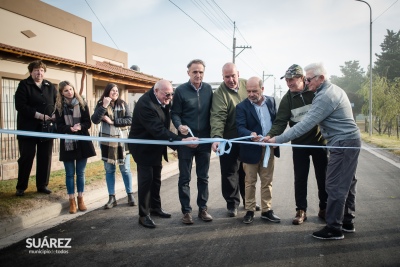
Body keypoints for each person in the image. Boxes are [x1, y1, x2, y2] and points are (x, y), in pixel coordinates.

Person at [268, 62, 361, 240]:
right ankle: (347, 222)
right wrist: (272, 135)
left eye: (309, 79)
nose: (307, 82)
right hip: (345, 141)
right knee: (347, 182)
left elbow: (306, 124)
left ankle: (334, 228)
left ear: (321, 78)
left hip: (341, 143)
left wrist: (277, 140)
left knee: (334, 185)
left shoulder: (324, 96)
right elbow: (282, 121)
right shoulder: (330, 90)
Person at [128, 79, 198, 228]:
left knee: (156, 179)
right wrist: (181, 141)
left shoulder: (163, 100)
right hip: (143, 148)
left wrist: (181, 130)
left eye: (171, 94)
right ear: (156, 91)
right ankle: (143, 214)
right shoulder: (145, 105)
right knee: (146, 181)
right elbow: (158, 130)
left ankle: (155, 207)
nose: (170, 98)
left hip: (156, 147)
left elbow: (168, 121)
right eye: (167, 95)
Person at [267, 64, 328, 225]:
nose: (289, 83)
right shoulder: (287, 99)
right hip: (299, 144)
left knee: (323, 177)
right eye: (286, 80)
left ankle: (325, 208)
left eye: (292, 80)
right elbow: (280, 121)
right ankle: (301, 210)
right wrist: (271, 135)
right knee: (300, 178)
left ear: (302, 79)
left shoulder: (315, 92)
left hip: (319, 142)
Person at [171, 59, 214, 225]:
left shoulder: (209, 89)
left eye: (201, 72)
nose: (198, 75)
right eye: (194, 71)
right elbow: (175, 113)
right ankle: (186, 212)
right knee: (185, 178)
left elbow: (213, 112)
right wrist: (179, 125)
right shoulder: (181, 91)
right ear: (188, 72)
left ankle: (203, 209)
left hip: (204, 140)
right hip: (186, 141)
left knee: (203, 177)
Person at [236, 77, 281, 224]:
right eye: (248, 91)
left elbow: (277, 122)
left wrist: (275, 138)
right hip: (250, 150)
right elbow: (240, 127)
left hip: (269, 150)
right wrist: (250, 135)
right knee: (249, 182)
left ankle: (266, 210)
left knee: (267, 181)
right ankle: (249, 210)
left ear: (262, 89)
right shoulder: (241, 107)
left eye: (254, 91)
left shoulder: (272, 102)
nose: (251, 94)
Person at [210, 62, 249, 217]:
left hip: (247, 137)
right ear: (222, 77)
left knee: (247, 171)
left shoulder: (247, 85)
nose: (231, 79)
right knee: (229, 172)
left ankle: (249, 201)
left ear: (238, 74)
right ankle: (232, 204)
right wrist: (217, 138)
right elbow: (218, 117)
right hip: (229, 139)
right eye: (227, 77)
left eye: (233, 75)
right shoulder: (220, 93)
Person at [14, 60, 57, 196]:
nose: (39, 73)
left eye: (42, 70)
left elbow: (58, 103)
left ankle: (42, 185)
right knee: (27, 157)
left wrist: (55, 114)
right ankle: (21, 187)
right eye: (36, 70)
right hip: (28, 128)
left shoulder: (49, 86)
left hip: (46, 129)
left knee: (45, 156)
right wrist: (39, 115)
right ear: (31, 71)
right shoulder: (24, 85)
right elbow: (20, 106)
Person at [91, 83, 136, 209]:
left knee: (125, 169)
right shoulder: (101, 104)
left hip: (122, 142)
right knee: (109, 170)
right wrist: (104, 106)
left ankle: (130, 195)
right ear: (107, 92)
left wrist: (113, 122)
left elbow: (129, 120)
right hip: (107, 142)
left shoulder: (123, 104)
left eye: (117, 91)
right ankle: (112, 197)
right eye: (112, 90)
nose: (115, 92)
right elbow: (95, 120)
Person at [55, 81, 96, 214]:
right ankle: (71, 201)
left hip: (82, 142)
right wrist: (69, 128)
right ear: (61, 92)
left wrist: (80, 127)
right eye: (66, 90)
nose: (69, 92)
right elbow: (59, 126)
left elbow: (87, 122)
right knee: (69, 174)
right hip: (67, 143)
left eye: (71, 89)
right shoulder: (59, 107)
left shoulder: (82, 104)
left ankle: (80, 199)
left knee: (81, 173)